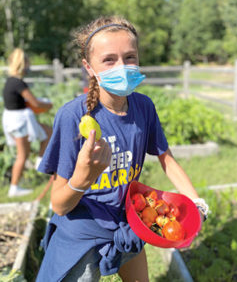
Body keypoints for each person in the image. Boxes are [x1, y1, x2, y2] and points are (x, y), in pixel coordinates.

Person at [36, 16, 209, 282]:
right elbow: (59, 204)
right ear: (89, 67)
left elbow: (167, 159)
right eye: (109, 59)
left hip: (129, 223)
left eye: (130, 57)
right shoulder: (72, 116)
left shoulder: (144, 107)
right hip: (83, 233)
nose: (122, 67)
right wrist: (83, 178)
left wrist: (196, 203)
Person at [2, 48, 53, 197]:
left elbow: (24, 102)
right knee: (22, 155)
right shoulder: (18, 83)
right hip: (19, 122)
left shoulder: (11, 81)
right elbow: (34, 103)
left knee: (48, 132)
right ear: (23, 63)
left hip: (16, 120)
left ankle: (40, 163)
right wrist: (48, 106)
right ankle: (14, 187)